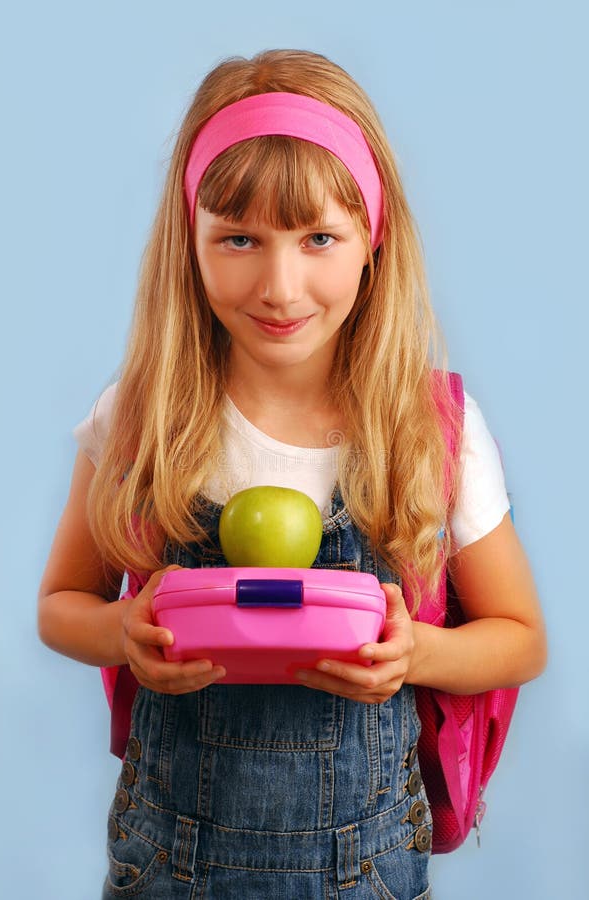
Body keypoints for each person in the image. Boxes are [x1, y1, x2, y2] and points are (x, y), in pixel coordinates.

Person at [38, 49, 547, 899]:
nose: (280, 287)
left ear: (372, 238)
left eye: (318, 238)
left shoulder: (428, 431)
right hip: (171, 865)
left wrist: (415, 652)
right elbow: (61, 606)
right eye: (239, 239)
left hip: (366, 872)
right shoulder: (143, 416)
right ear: (189, 242)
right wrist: (121, 632)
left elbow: (521, 638)